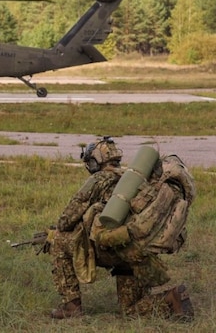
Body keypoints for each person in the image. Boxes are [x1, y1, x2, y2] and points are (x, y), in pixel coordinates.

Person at [48, 137, 194, 321]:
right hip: (134, 252)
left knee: (59, 239)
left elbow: (65, 221)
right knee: (130, 311)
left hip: (114, 248)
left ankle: (71, 307)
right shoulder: (134, 179)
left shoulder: (99, 178)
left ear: (94, 162)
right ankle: (173, 299)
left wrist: (56, 231)